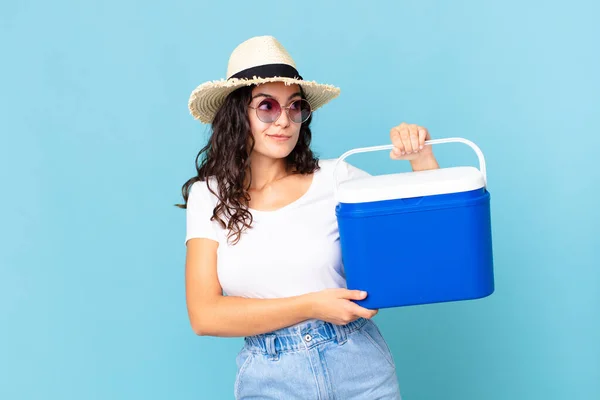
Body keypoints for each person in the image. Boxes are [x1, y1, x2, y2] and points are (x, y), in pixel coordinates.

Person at [178, 36, 440, 400]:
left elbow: (425, 234)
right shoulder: (209, 196)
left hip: (359, 369)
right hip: (271, 380)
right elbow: (205, 315)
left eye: (295, 107)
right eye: (267, 106)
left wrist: (422, 159)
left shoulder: (335, 178)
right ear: (238, 115)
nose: (284, 121)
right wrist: (311, 305)